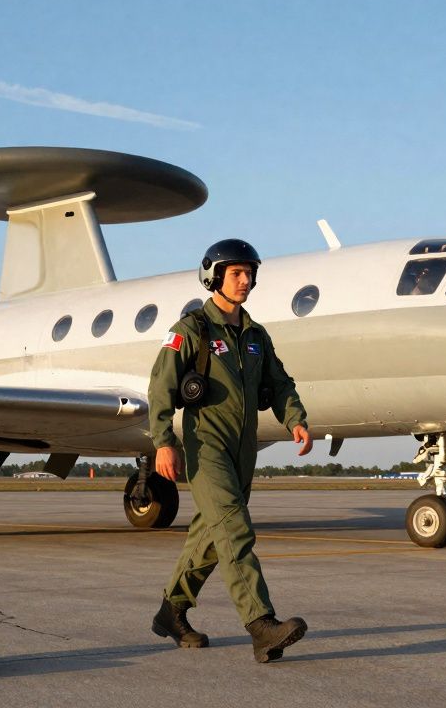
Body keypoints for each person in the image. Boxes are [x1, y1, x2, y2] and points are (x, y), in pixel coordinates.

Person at [146, 238, 313, 663]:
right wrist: (163, 443)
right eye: (236, 273)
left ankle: (172, 612)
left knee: (209, 537)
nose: (245, 280)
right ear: (214, 276)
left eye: (249, 273)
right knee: (235, 531)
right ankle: (261, 626)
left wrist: (295, 418)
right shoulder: (191, 331)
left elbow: (279, 382)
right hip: (207, 445)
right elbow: (160, 387)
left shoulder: (255, 335)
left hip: (245, 448)